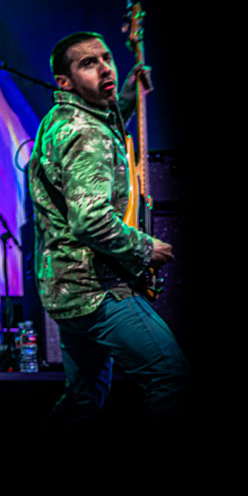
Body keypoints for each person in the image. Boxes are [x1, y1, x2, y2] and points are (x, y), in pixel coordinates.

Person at [28, 31, 190, 427]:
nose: (105, 68)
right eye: (88, 63)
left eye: (106, 58)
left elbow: (97, 124)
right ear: (64, 82)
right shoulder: (87, 134)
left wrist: (127, 100)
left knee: (84, 401)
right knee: (172, 379)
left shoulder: (62, 118)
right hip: (98, 288)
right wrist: (144, 247)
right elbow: (91, 221)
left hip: (65, 288)